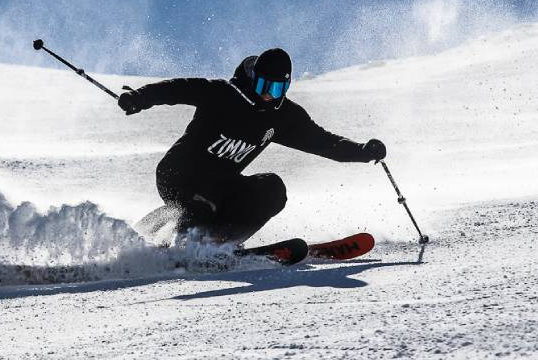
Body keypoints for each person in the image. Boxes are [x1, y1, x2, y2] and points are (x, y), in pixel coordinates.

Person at [118, 47, 386, 245]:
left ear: (287, 87)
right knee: (204, 205)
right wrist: (140, 97)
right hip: (178, 175)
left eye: (277, 89)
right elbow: (178, 88)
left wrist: (362, 151)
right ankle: (172, 242)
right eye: (263, 85)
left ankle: (220, 243)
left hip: (221, 185)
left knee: (272, 188)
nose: (269, 94)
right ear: (254, 78)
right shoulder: (224, 94)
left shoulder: (282, 117)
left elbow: (325, 142)